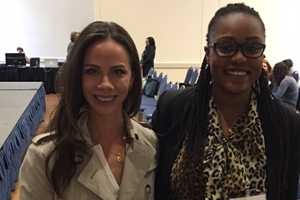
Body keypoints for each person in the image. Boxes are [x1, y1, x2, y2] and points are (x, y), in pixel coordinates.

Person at [151, 3, 300, 200]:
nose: (239, 58)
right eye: (226, 47)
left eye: (252, 47)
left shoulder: (285, 123)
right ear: (208, 52)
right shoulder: (174, 108)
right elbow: (155, 189)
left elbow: (286, 193)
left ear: (262, 55)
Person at [19, 21, 158, 199]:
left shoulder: (151, 144)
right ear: (79, 77)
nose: (105, 84)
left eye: (117, 72)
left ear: (132, 78)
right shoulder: (45, 156)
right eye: (92, 71)